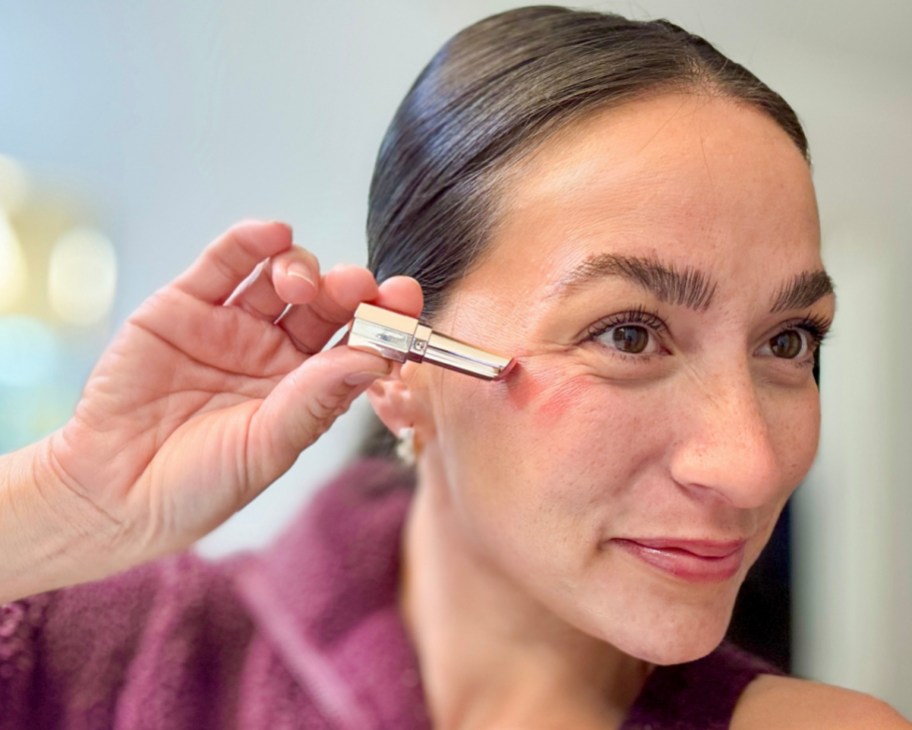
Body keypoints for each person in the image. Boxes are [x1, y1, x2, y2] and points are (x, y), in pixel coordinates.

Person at [0, 6, 908, 728]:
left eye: (788, 341)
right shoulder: (99, 664)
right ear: (398, 362)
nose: (749, 465)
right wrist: (67, 504)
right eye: (629, 334)